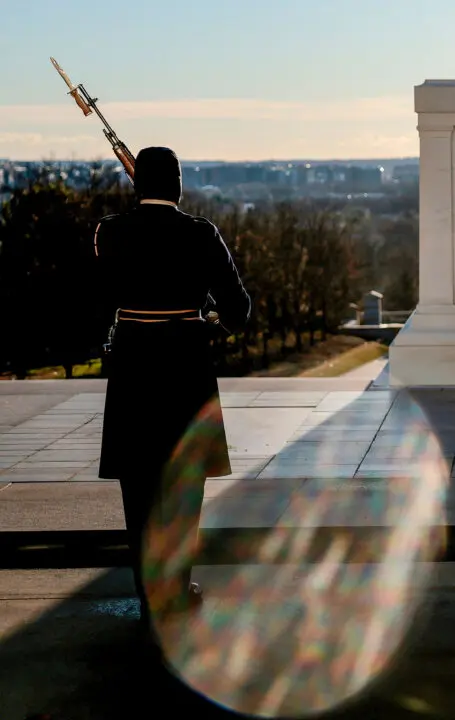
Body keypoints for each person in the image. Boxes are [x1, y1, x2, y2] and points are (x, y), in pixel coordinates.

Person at [94, 147, 251, 628]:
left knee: (138, 490)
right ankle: (177, 589)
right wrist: (208, 323)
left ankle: (148, 593)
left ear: (136, 183)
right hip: (186, 368)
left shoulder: (111, 232)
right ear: (178, 183)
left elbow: (97, 297)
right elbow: (238, 310)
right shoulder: (202, 234)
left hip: (134, 368)